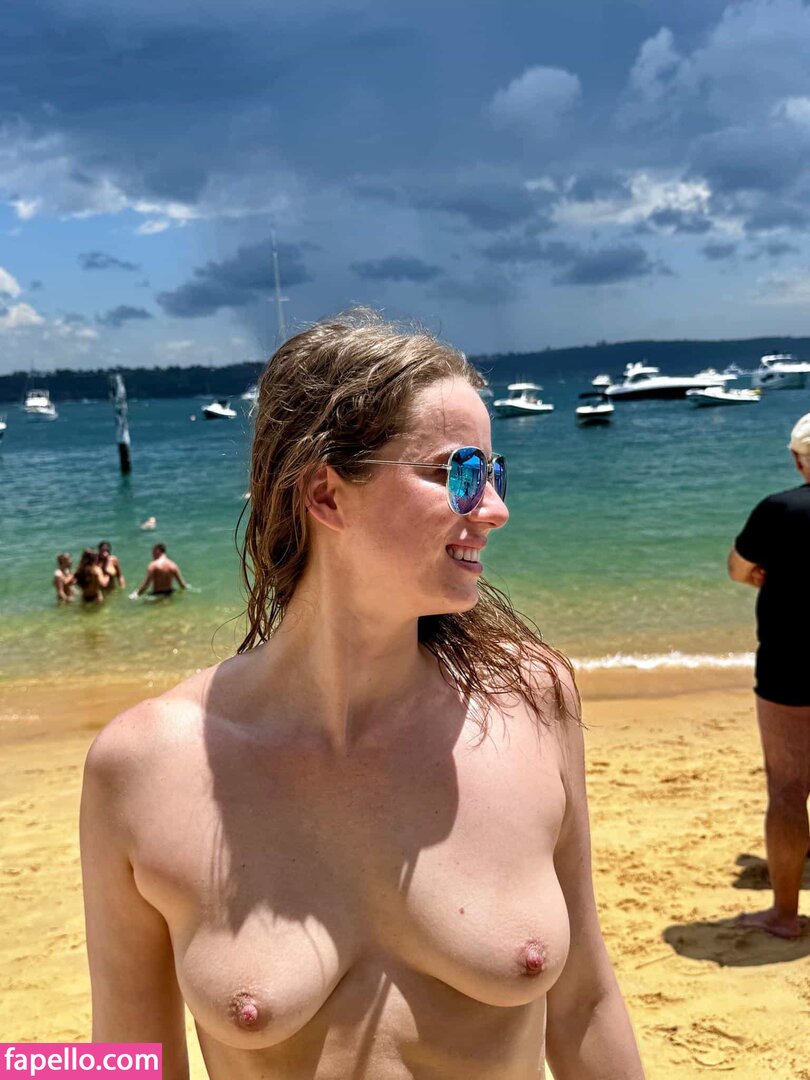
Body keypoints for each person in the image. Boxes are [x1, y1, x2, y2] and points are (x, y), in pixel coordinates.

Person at [81, 311, 645, 1079]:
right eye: (459, 472)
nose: (494, 507)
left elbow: (585, 1004)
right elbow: (124, 1059)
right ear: (326, 494)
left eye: (494, 473)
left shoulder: (532, 701)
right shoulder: (143, 768)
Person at [728, 411, 810, 939]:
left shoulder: (779, 509)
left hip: (790, 663)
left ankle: (784, 914)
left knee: (788, 789)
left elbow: (738, 568)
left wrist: (774, 574)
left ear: (798, 459)